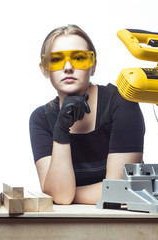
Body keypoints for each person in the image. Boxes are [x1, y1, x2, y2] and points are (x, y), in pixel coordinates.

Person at [29, 25, 145, 205]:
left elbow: (119, 190)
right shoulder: (41, 119)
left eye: (79, 58)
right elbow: (59, 195)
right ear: (45, 68)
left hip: (121, 221)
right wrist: (61, 129)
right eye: (57, 59)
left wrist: (68, 194)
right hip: (68, 224)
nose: (68, 67)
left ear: (93, 66)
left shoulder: (121, 103)